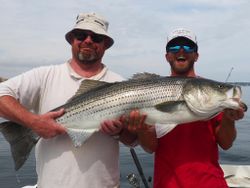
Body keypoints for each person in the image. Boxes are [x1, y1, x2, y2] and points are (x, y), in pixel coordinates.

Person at [0, 12, 136, 188]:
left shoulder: (121, 84)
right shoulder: (45, 76)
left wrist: (120, 132)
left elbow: (133, 140)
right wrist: (34, 122)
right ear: (72, 39)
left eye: (96, 37)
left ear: (105, 45)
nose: (88, 40)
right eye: (81, 35)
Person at [127, 28, 245, 188]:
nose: (181, 51)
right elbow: (150, 148)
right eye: (174, 48)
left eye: (188, 47)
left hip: (210, 183)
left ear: (196, 55)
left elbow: (226, 143)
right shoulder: (153, 89)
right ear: (167, 56)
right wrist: (142, 129)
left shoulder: (211, 99)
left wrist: (229, 120)